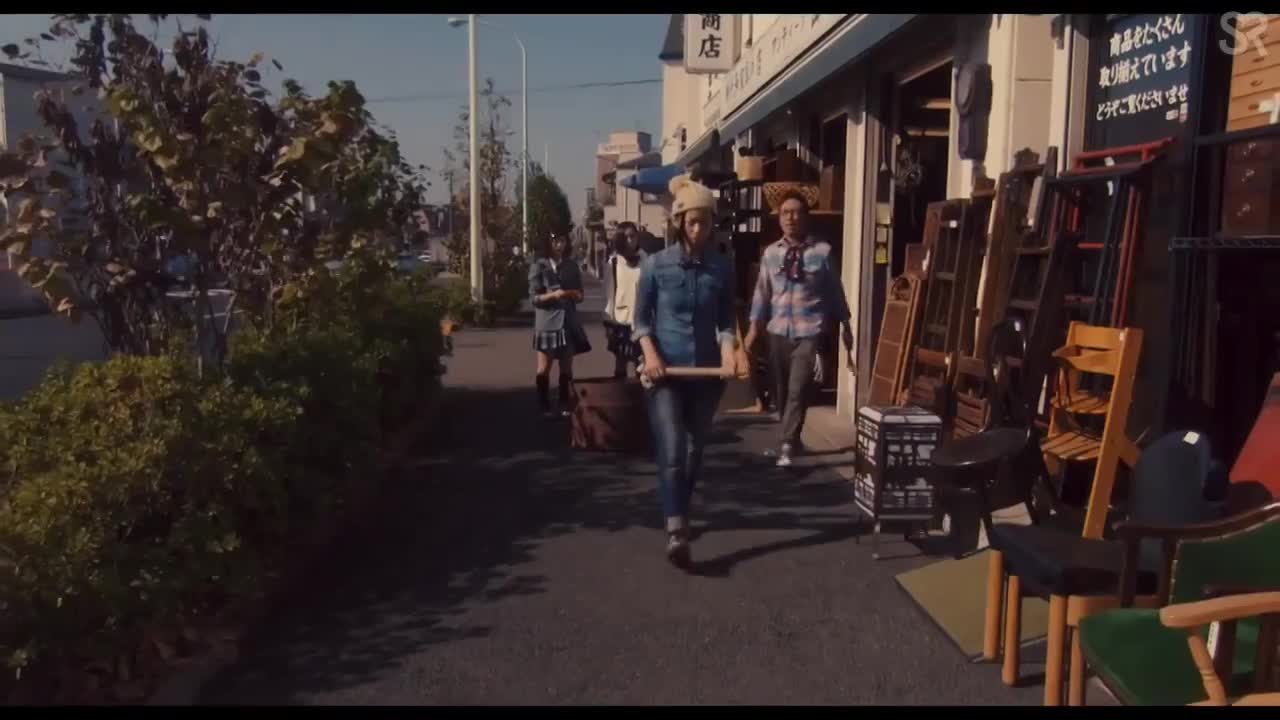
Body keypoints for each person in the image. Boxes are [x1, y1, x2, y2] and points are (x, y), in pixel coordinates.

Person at [633, 174, 738, 569]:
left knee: (694, 453)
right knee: (673, 449)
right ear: (679, 222)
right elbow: (641, 321)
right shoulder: (655, 266)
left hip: (706, 376)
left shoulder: (722, 268)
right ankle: (676, 529)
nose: (698, 230)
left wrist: (729, 352)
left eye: (705, 222)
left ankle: (679, 508)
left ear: (712, 224)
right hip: (665, 374)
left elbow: (726, 320)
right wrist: (651, 355)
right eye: (692, 222)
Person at [744, 190, 853, 468]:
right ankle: (793, 438)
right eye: (785, 213)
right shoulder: (771, 254)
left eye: (796, 212)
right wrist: (753, 328)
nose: (790, 218)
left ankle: (787, 444)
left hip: (810, 332)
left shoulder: (822, 252)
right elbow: (761, 293)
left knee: (798, 389)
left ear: (806, 217)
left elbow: (835, 291)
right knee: (781, 392)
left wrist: (845, 324)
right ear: (779, 218)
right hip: (778, 331)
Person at [529, 232, 591, 418]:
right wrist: (553, 295)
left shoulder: (571, 266)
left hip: (567, 321)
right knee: (544, 368)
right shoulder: (539, 265)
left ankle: (565, 403)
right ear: (548, 243)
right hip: (547, 322)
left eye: (562, 240)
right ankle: (544, 405)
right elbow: (534, 298)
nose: (559, 245)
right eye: (555, 241)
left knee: (566, 367)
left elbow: (580, 294)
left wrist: (574, 295)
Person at [602, 228, 645, 379]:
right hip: (621, 321)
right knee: (621, 361)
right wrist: (608, 323)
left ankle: (641, 392)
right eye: (625, 237)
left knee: (642, 363)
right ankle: (621, 391)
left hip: (642, 322)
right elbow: (609, 295)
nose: (629, 240)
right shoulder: (613, 263)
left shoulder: (647, 261)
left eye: (632, 236)